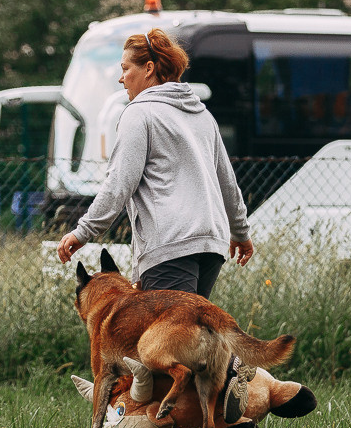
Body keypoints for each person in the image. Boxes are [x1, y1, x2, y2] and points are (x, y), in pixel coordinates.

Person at [56, 27, 254, 300]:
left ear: (148, 68)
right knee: (188, 339)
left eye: (125, 69)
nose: (121, 78)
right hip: (211, 246)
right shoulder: (202, 114)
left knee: (166, 340)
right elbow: (227, 183)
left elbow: (118, 184)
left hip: (171, 246)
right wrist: (240, 232)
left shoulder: (139, 113)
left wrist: (84, 231)